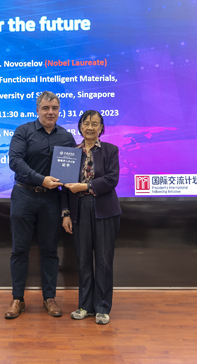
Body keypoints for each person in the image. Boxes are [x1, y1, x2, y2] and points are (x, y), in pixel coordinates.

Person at [5, 91, 76, 319]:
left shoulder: (66, 137)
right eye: (46, 108)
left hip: (51, 199)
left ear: (59, 110)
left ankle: (49, 298)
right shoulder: (23, 131)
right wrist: (40, 179)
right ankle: (17, 299)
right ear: (38, 110)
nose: (50, 112)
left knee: (50, 250)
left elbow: (69, 176)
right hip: (24, 196)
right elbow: (15, 161)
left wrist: (65, 209)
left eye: (54, 108)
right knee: (19, 249)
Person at [61, 110, 121, 325]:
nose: (90, 127)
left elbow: (112, 179)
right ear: (80, 127)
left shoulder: (110, 150)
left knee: (104, 261)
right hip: (79, 210)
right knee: (83, 259)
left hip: (104, 210)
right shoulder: (70, 153)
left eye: (95, 124)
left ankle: (102, 307)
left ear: (101, 128)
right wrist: (65, 213)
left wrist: (85, 186)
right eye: (86, 123)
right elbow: (64, 186)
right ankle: (85, 306)